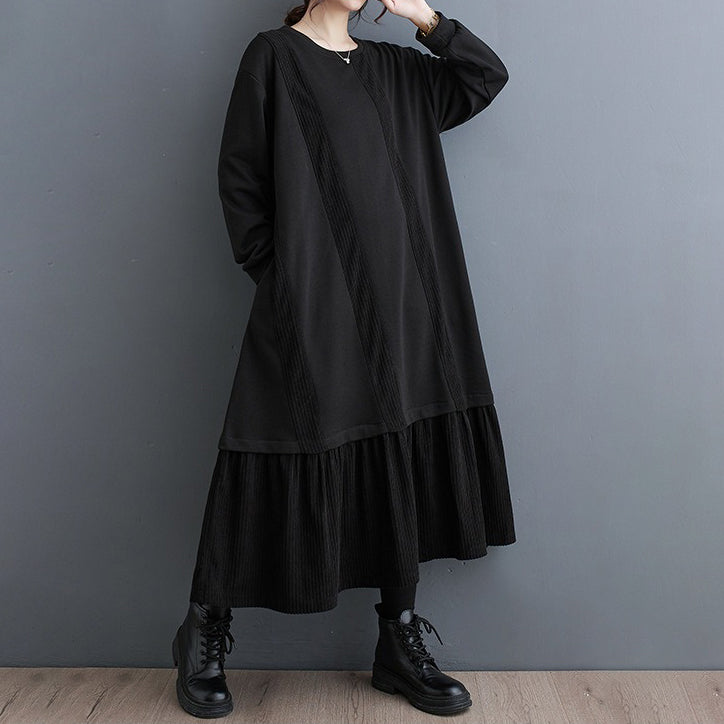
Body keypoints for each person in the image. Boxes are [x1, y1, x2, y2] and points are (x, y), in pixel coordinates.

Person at [171, 0, 516, 718]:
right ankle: (204, 629)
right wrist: (285, 280)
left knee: (400, 447)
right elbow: (240, 180)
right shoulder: (272, 56)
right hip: (315, 304)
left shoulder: (398, 69)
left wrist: (424, 16)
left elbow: (484, 76)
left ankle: (397, 640)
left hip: (410, 302)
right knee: (271, 444)